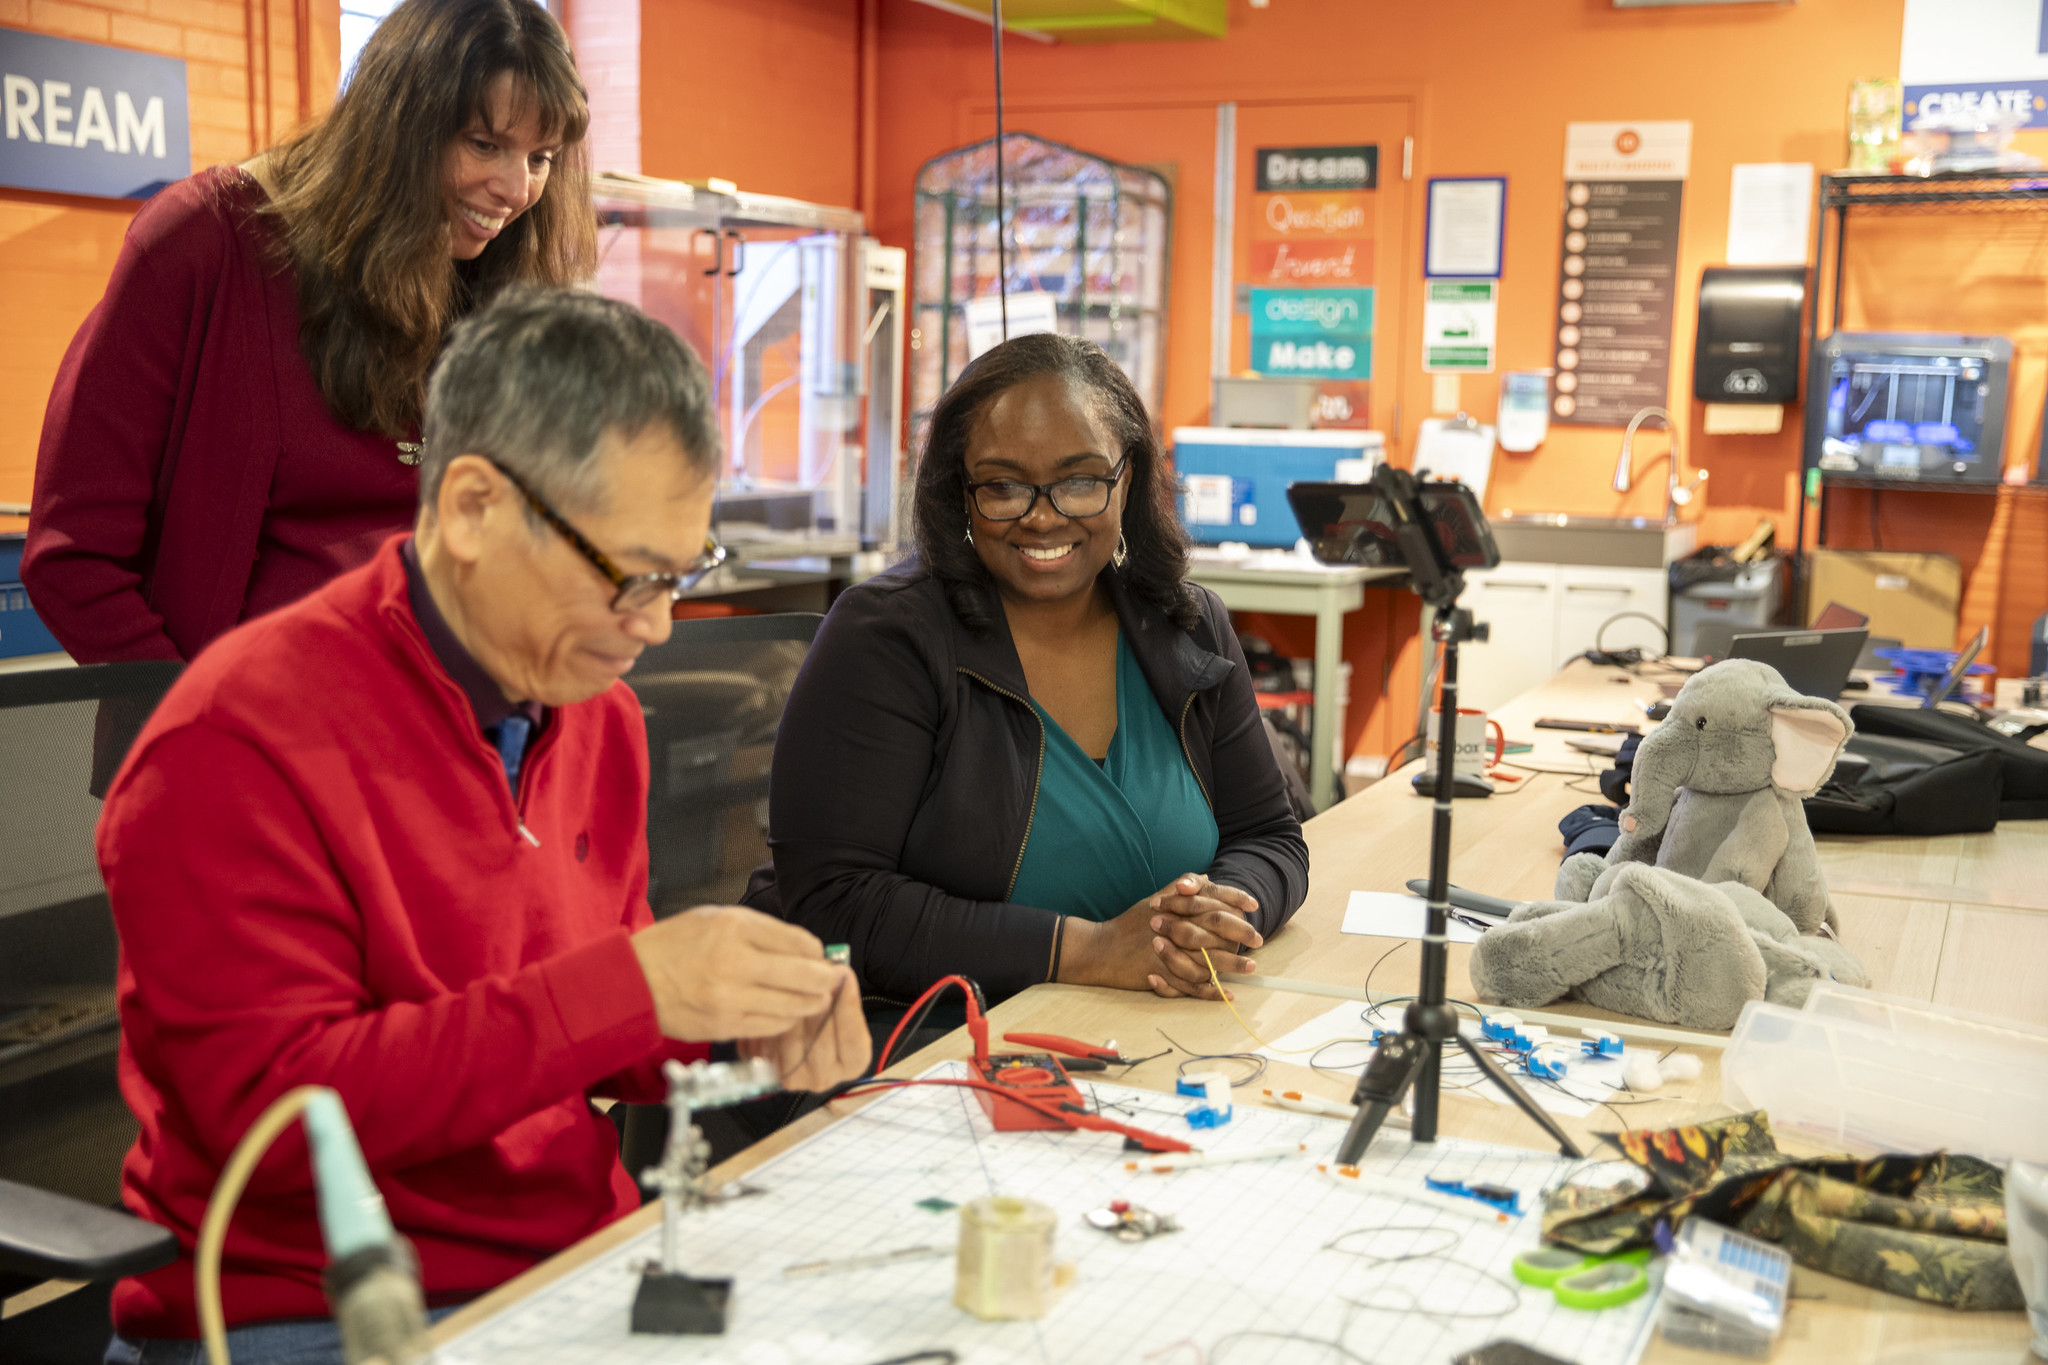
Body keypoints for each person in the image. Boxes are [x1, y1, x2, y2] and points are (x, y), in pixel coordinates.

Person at [95, 289, 869, 1365]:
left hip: (566, 1263)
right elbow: (272, 1125)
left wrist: (731, 1023)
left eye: (682, 577)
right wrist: (635, 987)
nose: (654, 626)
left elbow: (576, 1018)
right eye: (629, 576)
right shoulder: (234, 741)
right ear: (470, 508)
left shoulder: (590, 712)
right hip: (313, 1305)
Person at [25, 0, 594, 666]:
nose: (515, 188)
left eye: (542, 158)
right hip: (233, 744)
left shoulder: (495, 281)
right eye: (484, 144)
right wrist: (199, 725)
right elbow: (73, 556)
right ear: (396, 123)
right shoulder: (202, 243)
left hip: (427, 740)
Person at [762, 333, 1310, 1016]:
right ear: (960, 490)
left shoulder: (1187, 624)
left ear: (1128, 478)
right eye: (1003, 485)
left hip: (1156, 1025)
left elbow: (1269, 835)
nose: (1043, 514)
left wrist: (1215, 916)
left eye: (1080, 480)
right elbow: (836, 901)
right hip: (943, 1044)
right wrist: (1090, 950)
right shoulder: (886, 638)